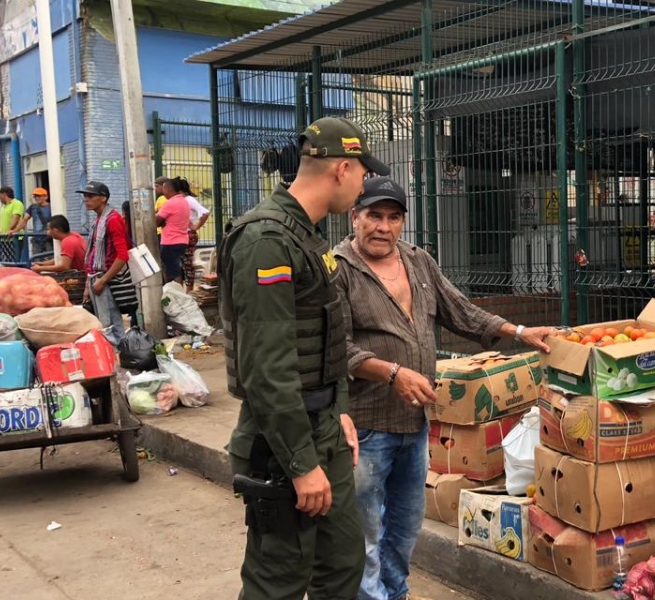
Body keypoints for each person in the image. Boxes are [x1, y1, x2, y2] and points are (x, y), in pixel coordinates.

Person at [333, 175, 555, 600]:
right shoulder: (339, 269)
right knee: (362, 533)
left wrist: (521, 330)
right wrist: (392, 373)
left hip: (415, 423)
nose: (383, 227)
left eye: (393, 218)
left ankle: (394, 594)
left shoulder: (417, 261)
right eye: (373, 216)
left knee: (403, 525)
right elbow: (335, 350)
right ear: (354, 216)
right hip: (365, 427)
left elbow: (463, 312)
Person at [219, 116, 389, 600]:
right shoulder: (266, 241)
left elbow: (319, 341)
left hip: (324, 428)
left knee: (341, 564)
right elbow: (266, 369)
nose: (362, 186)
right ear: (341, 169)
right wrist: (299, 464)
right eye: (360, 174)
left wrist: (340, 412)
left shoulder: (304, 235)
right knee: (279, 579)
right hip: (284, 441)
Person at [79, 181, 131, 345]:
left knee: (109, 323)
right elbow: (93, 254)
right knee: (105, 321)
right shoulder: (99, 220)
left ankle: (118, 353)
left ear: (103, 198)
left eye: (90, 196)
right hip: (97, 277)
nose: (86, 200)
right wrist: (89, 285)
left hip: (106, 278)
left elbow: (122, 255)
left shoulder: (112, 219)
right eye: (85, 196)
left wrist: (103, 280)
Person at [156, 177, 192, 285]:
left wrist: (161, 222)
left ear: (169, 190)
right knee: (176, 269)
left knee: (173, 273)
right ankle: (177, 294)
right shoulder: (184, 202)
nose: (163, 192)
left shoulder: (170, 203)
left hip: (170, 242)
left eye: (163, 189)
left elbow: (156, 221)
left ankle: (177, 296)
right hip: (182, 241)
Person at [177, 178, 210, 288]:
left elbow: (205, 213)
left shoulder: (189, 200)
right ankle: (186, 288)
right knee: (183, 264)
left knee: (187, 264)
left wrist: (195, 226)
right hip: (181, 234)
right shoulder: (182, 200)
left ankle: (189, 289)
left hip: (188, 234)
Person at [25, 188, 52, 256]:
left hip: (48, 238)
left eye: (39, 196)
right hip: (36, 239)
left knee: (50, 257)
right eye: (35, 196)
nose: (37, 198)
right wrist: (15, 230)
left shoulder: (52, 207)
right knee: (36, 259)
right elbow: (24, 220)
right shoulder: (32, 207)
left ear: (46, 197)